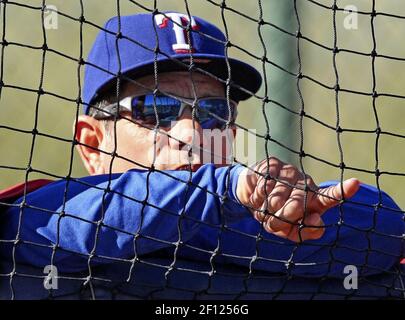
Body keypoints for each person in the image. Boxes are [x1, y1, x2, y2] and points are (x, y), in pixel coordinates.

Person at [0, 12, 403, 299]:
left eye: (213, 113)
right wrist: (228, 188)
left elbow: (378, 222)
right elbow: (45, 224)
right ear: (92, 143)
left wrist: (241, 203)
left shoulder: (272, 213)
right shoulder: (48, 215)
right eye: (155, 109)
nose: (191, 133)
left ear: (231, 132)